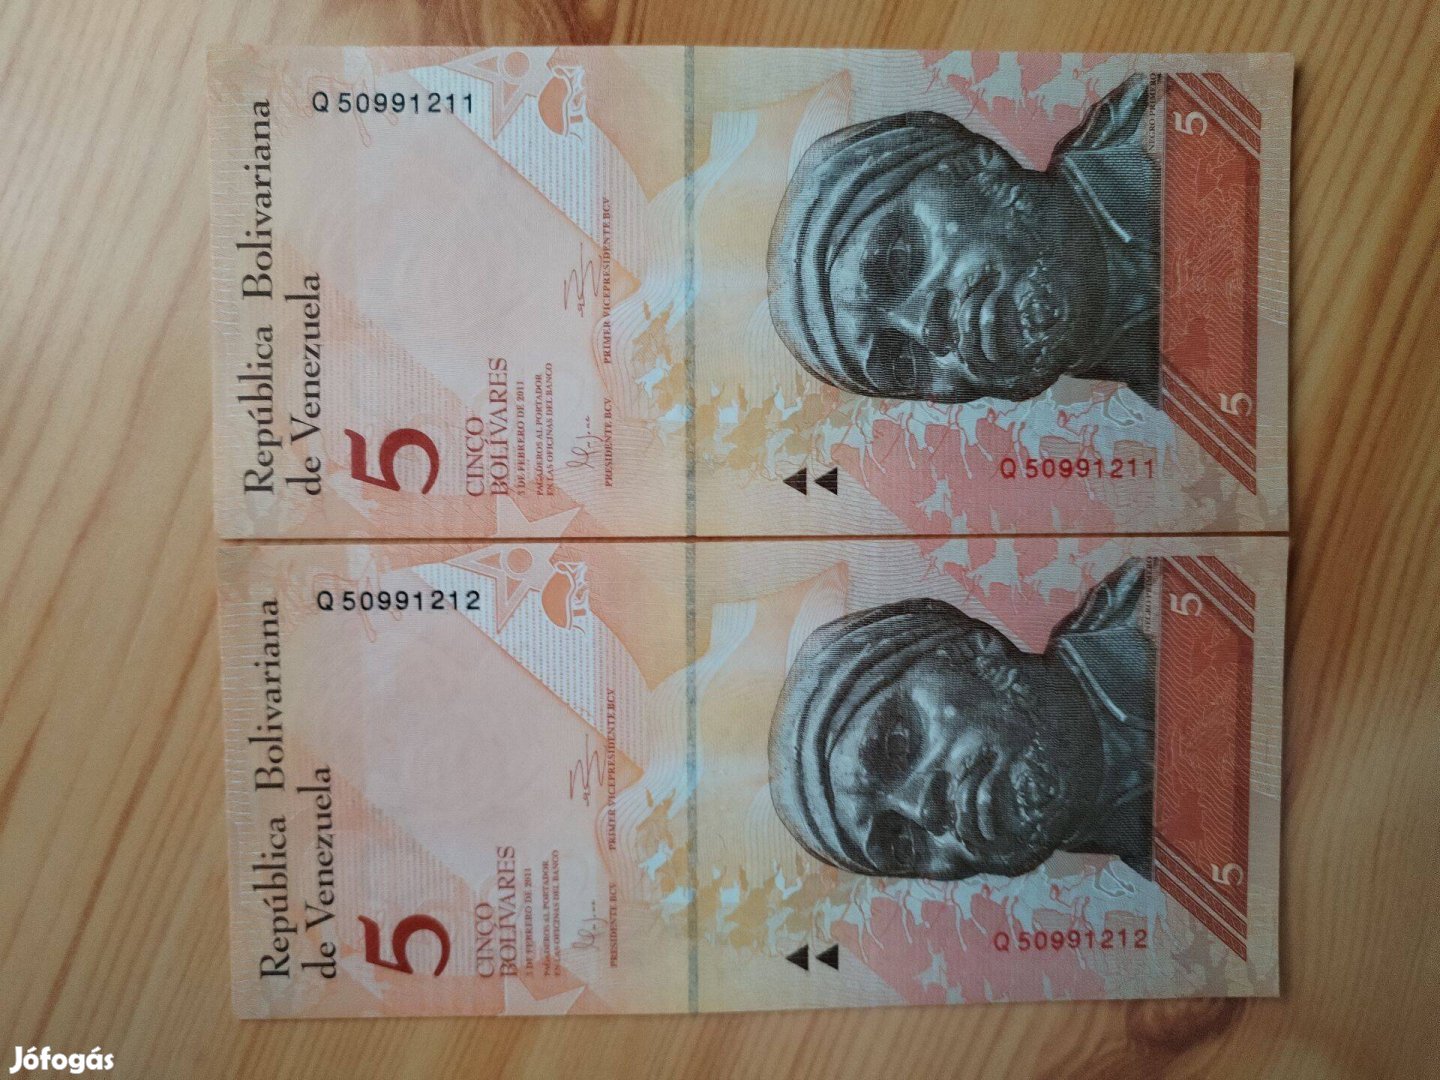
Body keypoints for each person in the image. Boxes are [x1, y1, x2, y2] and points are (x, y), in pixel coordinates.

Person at [767, 76, 1160, 407]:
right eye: (902, 364)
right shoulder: (1175, 393)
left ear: (972, 164)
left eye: (899, 261)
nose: (925, 329)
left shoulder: (1165, 121)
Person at [769, 560, 1155, 880]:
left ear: (972, 650)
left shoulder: (1159, 604)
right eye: (900, 844)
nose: (924, 811)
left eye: (898, 744)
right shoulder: (1165, 866)